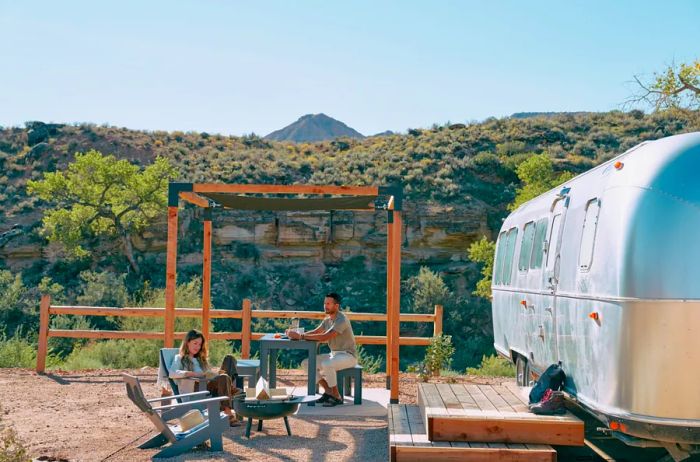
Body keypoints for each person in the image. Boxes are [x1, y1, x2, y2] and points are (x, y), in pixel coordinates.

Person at [286, 293, 357, 407]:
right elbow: (316, 332)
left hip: (348, 356)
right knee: (306, 363)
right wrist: (295, 335)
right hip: (334, 355)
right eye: (324, 303)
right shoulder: (327, 320)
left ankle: (337, 396)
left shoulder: (342, 319)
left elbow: (325, 336)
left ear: (336, 305)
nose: (325, 306)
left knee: (327, 364)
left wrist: (301, 337)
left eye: (328, 304)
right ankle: (329, 391)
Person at [169, 329, 242, 426]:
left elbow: (208, 374)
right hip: (196, 389)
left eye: (199, 344)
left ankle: (230, 389)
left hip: (208, 385)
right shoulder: (179, 358)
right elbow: (172, 373)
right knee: (224, 378)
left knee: (229, 359)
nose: (198, 347)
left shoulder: (200, 360)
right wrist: (193, 374)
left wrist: (212, 374)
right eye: (195, 343)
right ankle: (228, 411)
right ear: (187, 342)